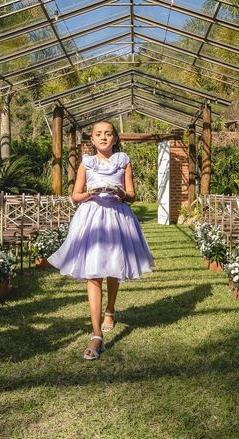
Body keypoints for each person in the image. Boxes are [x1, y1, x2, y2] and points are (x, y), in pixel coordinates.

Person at [47, 120, 154, 360]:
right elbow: (75, 196)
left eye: (108, 134)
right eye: (98, 134)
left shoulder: (123, 160)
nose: (103, 137)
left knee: (113, 268)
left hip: (117, 216)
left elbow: (133, 195)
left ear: (115, 138)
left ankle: (110, 309)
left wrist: (121, 193)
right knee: (93, 273)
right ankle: (96, 335)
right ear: (92, 139)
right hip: (91, 218)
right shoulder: (87, 163)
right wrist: (89, 194)